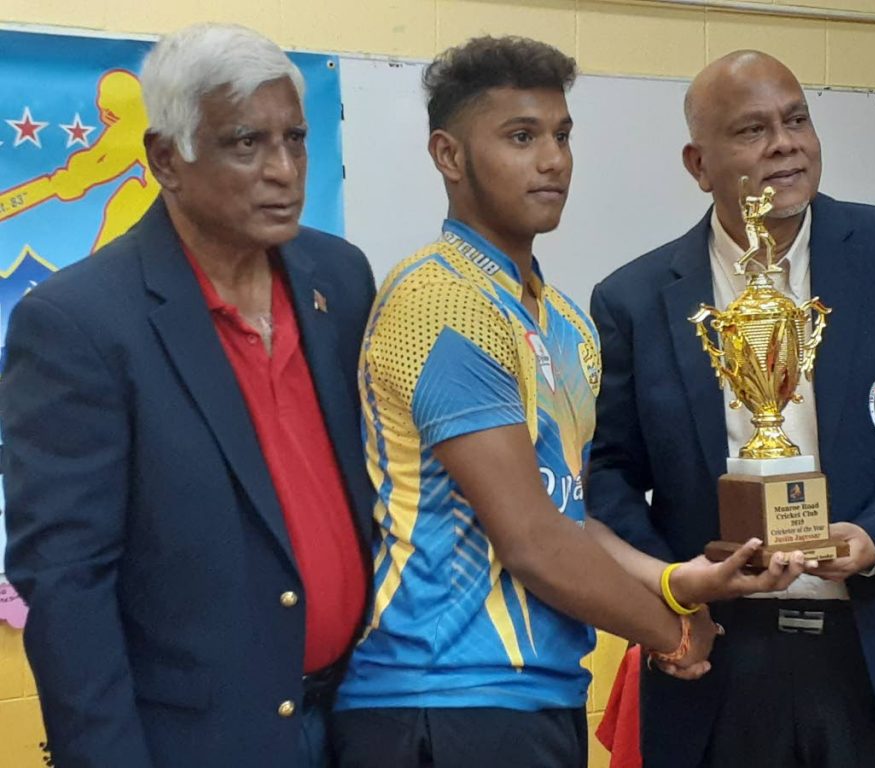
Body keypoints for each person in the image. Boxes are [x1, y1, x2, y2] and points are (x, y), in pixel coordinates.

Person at [331, 37, 804, 768]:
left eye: (562, 135)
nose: (553, 159)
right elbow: (531, 541)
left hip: (531, 697)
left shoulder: (566, 320)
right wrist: (669, 630)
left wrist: (679, 583)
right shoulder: (440, 302)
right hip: (440, 698)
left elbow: (567, 517)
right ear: (449, 156)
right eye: (521, 137)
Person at [587, 49, 875, 768]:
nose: (785, 144)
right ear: (698, 164)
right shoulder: (634, 298)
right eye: (752, 130)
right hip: (721, 664)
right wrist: (675, 594)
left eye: (797, 120)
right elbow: (611, 476)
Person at [1, 23, 375, 768]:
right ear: (167, 159)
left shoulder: (339, 276)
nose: (284, 170)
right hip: (200, 743)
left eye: (295, 140)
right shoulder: (79, 323)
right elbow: (68, 588)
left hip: (361, 719)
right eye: (247, 143)